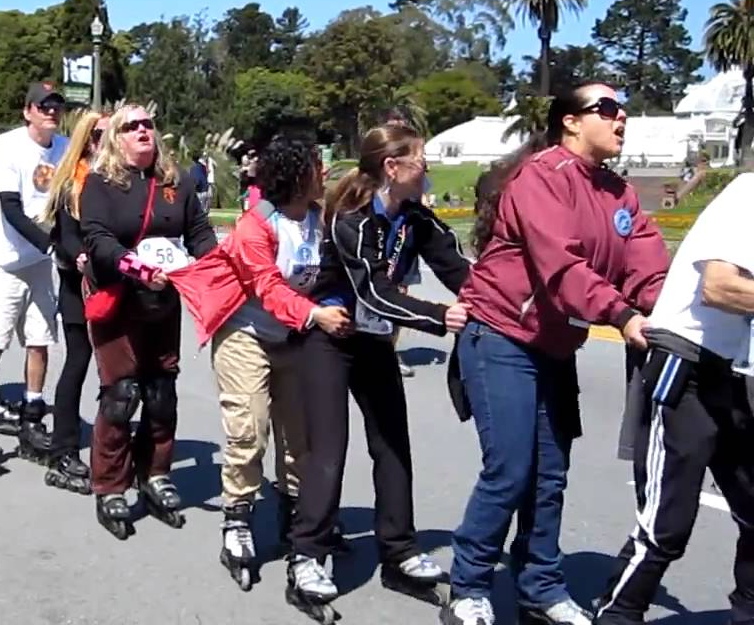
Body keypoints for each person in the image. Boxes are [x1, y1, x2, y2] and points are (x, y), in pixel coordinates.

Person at [444, 84, 669, 625]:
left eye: (624, 111)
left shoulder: (620, 194)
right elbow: (561, 268)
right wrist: (620, 315)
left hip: (554, 346)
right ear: (571, 122)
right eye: (609, 110)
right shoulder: (540, 178)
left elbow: (649, 268)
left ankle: (539, 586)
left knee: (550, 474)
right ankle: (468, 588)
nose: (622, 119)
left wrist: (667, 312)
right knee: (511, 469)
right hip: (499, 336)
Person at [279, 124, 470, 618]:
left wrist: (500, 297)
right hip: (329, 336)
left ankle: (399, 550)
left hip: (372, 340)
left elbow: (457, 268)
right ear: (394, 167)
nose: (426, 168)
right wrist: (437, 316)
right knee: (328, 450)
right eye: (420, 159)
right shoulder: (352, 217)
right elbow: (372, 293)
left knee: (391, 442)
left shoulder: (413, 217)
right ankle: (307, 554)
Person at [172, 136, 346, 590]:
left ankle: (296, 517)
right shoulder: (256, 227)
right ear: (294, 176)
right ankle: (238, 519)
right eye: (315, 165)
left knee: (299, 437)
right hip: (245, 332)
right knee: (249, 428)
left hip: (294, 335)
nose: (323, 174)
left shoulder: (319, 218)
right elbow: (268, 288)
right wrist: (314, 314)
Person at [593, 173, 754, 625]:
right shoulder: (747, 193)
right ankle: (617, 614)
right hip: (687, 364)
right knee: (667, 522)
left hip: (735, 372)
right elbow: (719, 287)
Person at [80, 103, 217, 538]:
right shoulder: (100, 183)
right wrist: (136, 269)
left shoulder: (175, 183)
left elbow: (199, 233)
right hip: (117, 296)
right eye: (131, 126)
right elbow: (97, 238)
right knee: (122, 393)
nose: (143, 131)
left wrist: (213, 268)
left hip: (163, 298)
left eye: (148, 125)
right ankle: (110, 484)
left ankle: (155, 472)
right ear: (116, 138)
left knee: (161, 390)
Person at [0, 82, 71, 474]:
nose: (51, 113)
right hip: (2, 257)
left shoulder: (65, 147)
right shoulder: (7, 146)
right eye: (43, 107)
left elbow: (68, 201)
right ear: (28, 111)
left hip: (38, 260)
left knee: (40, 340)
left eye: (56, 107)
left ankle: (32, 413)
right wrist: (54, 245)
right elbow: (11, 209)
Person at [40, 110, 108, 494]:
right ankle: (63, 449)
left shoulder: (122, 177)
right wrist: (79, 257)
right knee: (78, 361)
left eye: (109, 134)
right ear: (85, 139)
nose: (104, 141)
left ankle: (109, 449)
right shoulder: (72, 180)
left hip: (116, 284)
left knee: (116, 371)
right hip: (76, 283)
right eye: (97, 135)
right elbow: (62, 235)